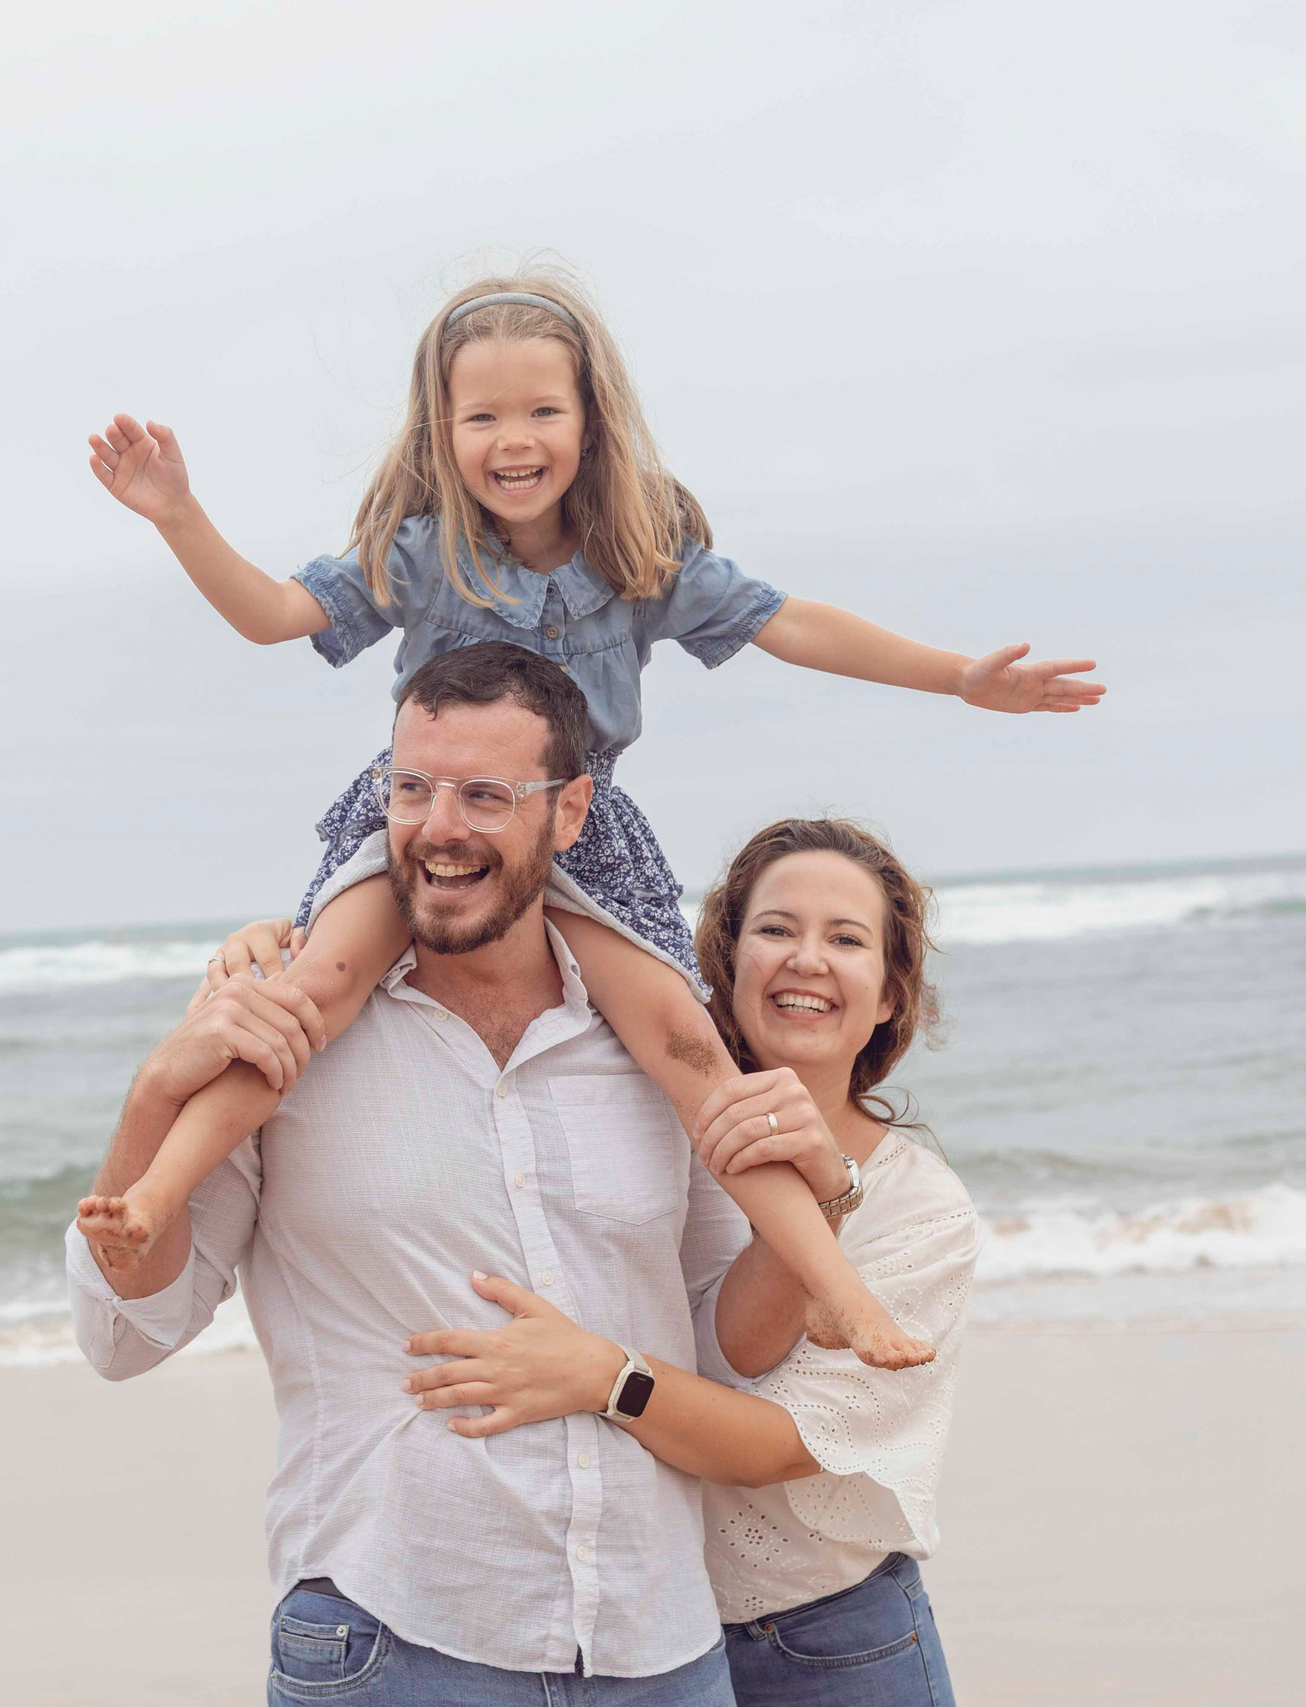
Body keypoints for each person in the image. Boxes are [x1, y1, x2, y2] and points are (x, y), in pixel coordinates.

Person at [76, 266, 1095, 1371]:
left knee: (689, 1050)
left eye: (541, 411)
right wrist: (179, 514)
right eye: (483, 417)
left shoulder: (638, 555)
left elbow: (792, 625)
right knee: (307, 995)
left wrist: (958, 679)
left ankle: (836, 1289)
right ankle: (154, 1192)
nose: (513, 440)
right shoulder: (423, 551)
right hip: (437, 816)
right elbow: (273, 615)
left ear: (590, 420)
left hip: (579, 824)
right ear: (442, 428)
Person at [70, 646, 847, 1703]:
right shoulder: (286, 1022)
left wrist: (820, 1216)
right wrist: (152, 1094)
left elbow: (726, 1347)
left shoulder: (653, 1042)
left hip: (657, 1643)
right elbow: (122, 1338)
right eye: (410, 790)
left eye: (486, 795)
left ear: (570, 813)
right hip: (394, 1636)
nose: (438, 828)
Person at [349, 818, 977, 1705]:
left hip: (832, 1639)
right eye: (774, 929)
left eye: (846, 939)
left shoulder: (924, 1208)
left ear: (887, 996)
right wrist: (277, 947)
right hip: (635, 1639)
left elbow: (776, 1446)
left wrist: (607, 1376)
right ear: (719, 966)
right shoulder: (636, 1136)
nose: (806, 958)